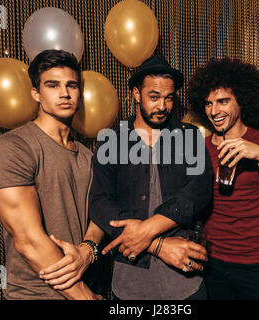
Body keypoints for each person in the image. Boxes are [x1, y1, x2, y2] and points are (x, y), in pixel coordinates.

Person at [89, 55, 213, 300]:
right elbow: (99, 203)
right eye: (154, 97)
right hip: (130, 283)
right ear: (137, 94)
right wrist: (157, 245)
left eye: (168, 98)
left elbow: (200, 191)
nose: (162, 106)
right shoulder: (112, 141)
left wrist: (147, 230)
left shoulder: (189, 137)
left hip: (185, 281)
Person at [0, 49, 105, 300]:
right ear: (36, 93)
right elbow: (29, 241)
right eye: (52, 85)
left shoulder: (87, 156)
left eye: (71, 85)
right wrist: (87, 298)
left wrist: (88, 249)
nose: (64, 93)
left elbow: (101, 210)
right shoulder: (13, 147)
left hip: (88, 286)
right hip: (37, 295)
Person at [187, 56, 259, 300]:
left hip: (256, 266)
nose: (214, 111)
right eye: (208, 103)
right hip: (212, 266)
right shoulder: (199, 148)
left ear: (242, 100)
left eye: (222, 101)